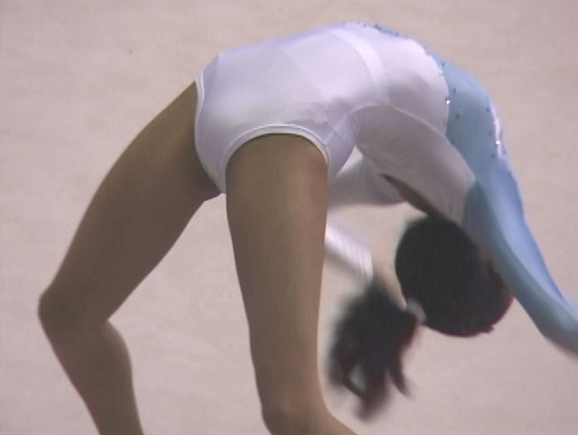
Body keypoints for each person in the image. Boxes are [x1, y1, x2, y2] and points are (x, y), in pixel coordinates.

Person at [37, 21, 578, 435]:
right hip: (230, 97)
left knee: (294, 411)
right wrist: (367, 265)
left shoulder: (483, 197)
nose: (518, 254)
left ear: (491, 264)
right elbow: (299, 215)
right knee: (67, 317)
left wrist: (366, 265)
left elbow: (559, 319)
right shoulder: (425, 181)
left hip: (256, 104)